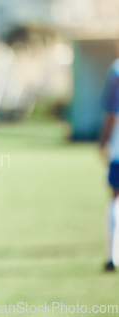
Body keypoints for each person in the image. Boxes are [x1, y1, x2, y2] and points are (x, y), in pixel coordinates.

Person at [99, 56, 119, 271]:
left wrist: (102, 141)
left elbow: (113, 112)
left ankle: (113, 256)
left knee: (115, 197)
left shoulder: (116, 70)